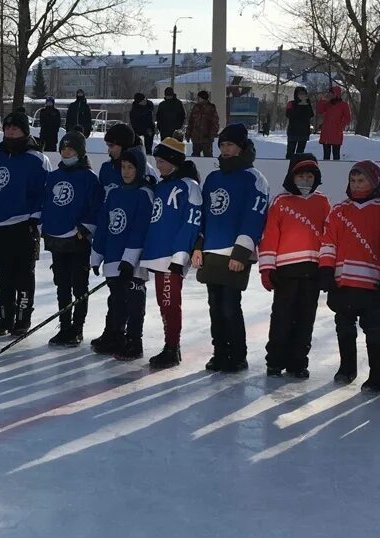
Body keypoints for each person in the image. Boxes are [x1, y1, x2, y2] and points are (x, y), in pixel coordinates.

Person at [191, 123, 270, 372]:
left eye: (230, 145)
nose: (225, 149)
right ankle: (220, 352)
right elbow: (204, 215)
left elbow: (254, 218)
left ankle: (237, 355)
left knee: (229, 306)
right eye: (222, 145)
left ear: (241, 147)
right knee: (215, 306)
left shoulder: (254, 178)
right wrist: (198, 246)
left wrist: (241, 252)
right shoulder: (213, 178)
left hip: (234, 255)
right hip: (211, 252)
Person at [318, 160, 380, 391]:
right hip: (342, 280)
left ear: (374, 182)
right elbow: (329, 243)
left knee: (373, 327)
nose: (356, 184)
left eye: (361, 180)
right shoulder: (340, 210)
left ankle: (377, 375)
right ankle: (347, 367)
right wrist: (326, 269)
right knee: (343, 324)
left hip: (370, 281)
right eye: (353, 180)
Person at [260, 154, 331, 378]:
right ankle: (275, 361)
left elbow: (330, 238)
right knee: (281, 317)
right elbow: (269, 237)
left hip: (312, 272)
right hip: (286, 272)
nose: (305, 180)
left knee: (305, 319)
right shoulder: (281, 202)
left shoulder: (323, 202)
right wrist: (267, 269)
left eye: (310, 176)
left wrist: (328, 267)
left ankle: (298, 362)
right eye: (301, 175)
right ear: (292, 176)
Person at [0, 111, 49, 337]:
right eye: (7, 127)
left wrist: (35, 221)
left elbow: (44, 193)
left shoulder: (37, 159)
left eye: (15, 127)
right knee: (3, 277)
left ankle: (22, 318)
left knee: (23, 275)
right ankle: (5, 317)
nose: (10, 131)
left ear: (25, 131)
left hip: (23, 226)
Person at [142, 137, 202, 368]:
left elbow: (192, 221)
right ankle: (170, 345)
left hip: (172, 258)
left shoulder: (189, 185)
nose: (158, 165)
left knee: (169, 302)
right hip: (158, 255)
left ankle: (171, 347)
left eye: (161, 161)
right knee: (163, 302)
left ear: (174, 161)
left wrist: (180, 256)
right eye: (156, 161)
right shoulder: (162, 185)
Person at [90, 144, 154, 361]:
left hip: (133, 263)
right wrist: (97, 254)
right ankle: (114, 334)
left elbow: (140, 228)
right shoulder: (114, 193)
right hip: (113, 256)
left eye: (130, 167)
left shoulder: (144, 194)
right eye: (123, 167)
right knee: (116, 300)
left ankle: (134, 341)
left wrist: (129, 259)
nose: (126, 171)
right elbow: (104, 223)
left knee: (134, 302)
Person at [43, 130, 101, 347]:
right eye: (63, 148)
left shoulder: (89, 178)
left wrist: (84, 229)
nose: (66, 152)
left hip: (77, 240)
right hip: (57, 239)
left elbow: (95, 209)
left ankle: (77, 328)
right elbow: (48, 203)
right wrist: (45, 227)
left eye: (71, 148)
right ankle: (64, 326)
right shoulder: (54, 176)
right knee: (62, 285)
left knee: (79, 286)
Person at [99, 123, 158, 194]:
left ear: (124, 145)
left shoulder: (146, 170)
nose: (109, 151)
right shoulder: (107, 168)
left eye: (111, 146)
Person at [316, 84, 352, 160]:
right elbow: (319, 111)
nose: (330, 95)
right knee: (326, 155)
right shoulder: (327, 104)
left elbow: (348, 118)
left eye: (331, 93)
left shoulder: (343, 105)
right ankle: (326, 169)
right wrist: (322, 100)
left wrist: (340, 126)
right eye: (329, 93)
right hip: (326, 132)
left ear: (336, 94)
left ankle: (336, 169)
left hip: (336, 132)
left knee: (336, 154)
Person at [187, 90, 221, 157]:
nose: (197, 99)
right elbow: (191, 121)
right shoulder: (196, 107)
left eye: (199, 97)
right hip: (196, 137)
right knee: (195, 156)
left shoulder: (211, 107)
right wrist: (188, 134)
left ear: (202, 98)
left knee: (208, 156)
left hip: (206, 137)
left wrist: (212, 134)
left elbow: (215, 122)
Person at [284, 87, 314, 159]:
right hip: (293, 131)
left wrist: (306, 104)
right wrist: (300, 105)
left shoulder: (307, 104)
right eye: (300, 94)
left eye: (304, 94)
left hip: (304, 132)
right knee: (290, 152)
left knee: (300, 154)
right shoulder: (291, 103)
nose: (302, 95)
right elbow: (289, 115)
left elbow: (311, 114)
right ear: (296, 94)